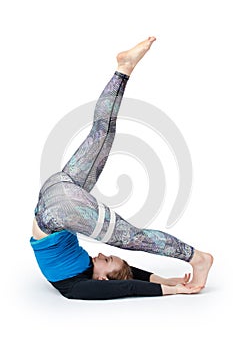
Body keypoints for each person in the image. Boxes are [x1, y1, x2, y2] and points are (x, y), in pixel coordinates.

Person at [30, 36, 213, 300]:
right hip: (55, 194)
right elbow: (130, 276)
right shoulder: (84, 273)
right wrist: (165, 280)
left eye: (107, 261)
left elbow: (125, 286)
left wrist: (170, 290)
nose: (101, 255)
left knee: (132, 238)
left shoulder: (75, 288)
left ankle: (198, 258)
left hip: (61, 207)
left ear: (101, 279)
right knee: (102, 133)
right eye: (108, 259)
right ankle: (123, 68)